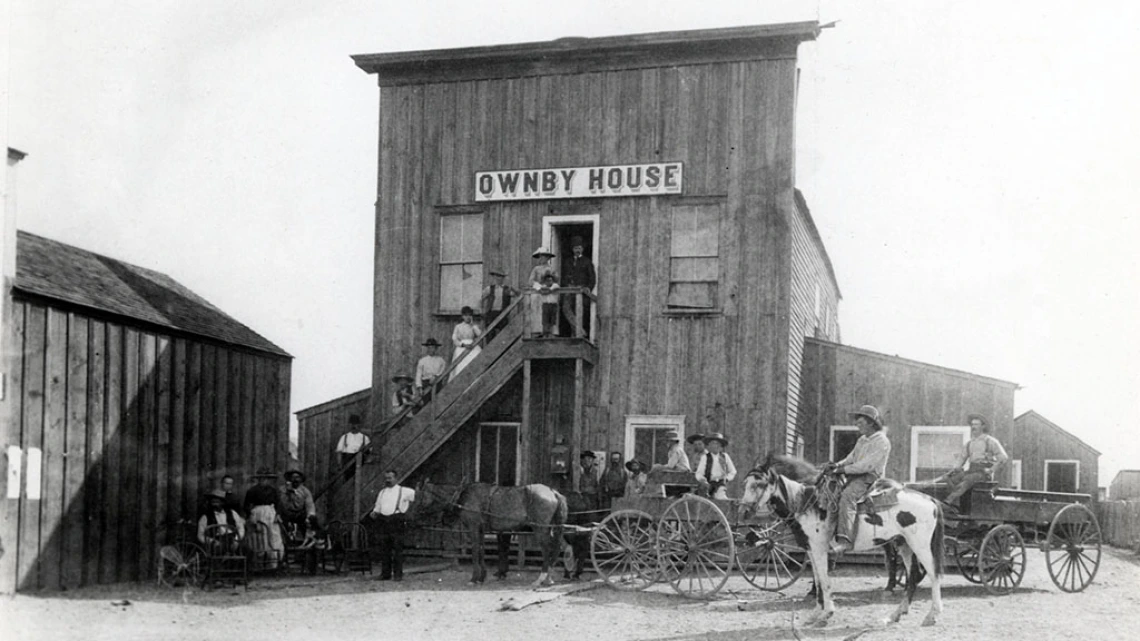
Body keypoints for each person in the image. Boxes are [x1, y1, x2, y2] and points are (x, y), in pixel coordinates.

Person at [823, 405, 892, 555]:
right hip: (855, 476)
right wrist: (837, 465)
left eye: (860, 423)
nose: (857, 426)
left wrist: (842, 470)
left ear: (871, 423)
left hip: (869, 477)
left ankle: (845, 541)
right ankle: (827, 539)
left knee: (847, 497)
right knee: (832, 498)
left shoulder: (882, 441)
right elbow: (851, 458)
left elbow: (866, 465)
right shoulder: (862, 440)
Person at [941, 413, 1009, 508]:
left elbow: (1003, 457)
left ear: (983, 426)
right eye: (972, 425)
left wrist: (991, 469)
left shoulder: (990, 441)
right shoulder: (969, 443)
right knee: (951, 479)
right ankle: (956, 506)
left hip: (983, 473)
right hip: (972, 470)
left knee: (967, 480)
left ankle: (949, 501)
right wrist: (955, 469)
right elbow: (962, 458)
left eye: (976, 424)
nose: (973, 427)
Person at [367, 470, 416, 581]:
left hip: (397, 520)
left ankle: (398, 575)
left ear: (396, 478)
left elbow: (418, 497)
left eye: (390, 478)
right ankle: (385, 574)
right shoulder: (382, 492)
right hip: (384, 521)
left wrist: (409, 512)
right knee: (385, 548)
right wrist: (375, 512)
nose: (388, 480)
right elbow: (378, 505)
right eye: (386, 478)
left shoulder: (405, 491)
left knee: (397, 548)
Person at [243, 467, 285, 567]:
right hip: (258, 514)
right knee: (260, 539)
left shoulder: (273, 491)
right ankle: (259, 564)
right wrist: (251, 517)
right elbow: (246, 506)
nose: (264, 480)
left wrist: (277, 515)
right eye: (261, 478)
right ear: (258, 479)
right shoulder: (252, 491)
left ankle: (273, 564)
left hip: (271, 514)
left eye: (266, 478)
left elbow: (278, 504)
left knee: (274, 537)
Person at [559, 236, 596, 337]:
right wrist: (566, 285)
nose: (577, 250)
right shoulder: (568, 261)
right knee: (566, 309)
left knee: (578, 312)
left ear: (582, 249)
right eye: (575, 248)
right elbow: (564, 275)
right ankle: (580, 331)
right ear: (572, 249)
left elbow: (592, 277)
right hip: (569, 290)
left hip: (581, 291)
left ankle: (576, 335)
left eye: (579, 248)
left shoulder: (587, 262)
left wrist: (588, 287)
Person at [695, 433, 736, 499]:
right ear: (709, 446)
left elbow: (733, 471)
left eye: (717, 444)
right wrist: (703, 480)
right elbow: (699, 473)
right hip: (708, 484)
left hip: (720, 485)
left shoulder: (725, 456)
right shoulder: (705, 457)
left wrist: (727, 478)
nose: (715, 446)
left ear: (721, 446)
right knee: (703, 498)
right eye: (713, 444)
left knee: (721, 499)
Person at [278, 470, 318, 537]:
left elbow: (310, 505)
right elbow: (281, 503)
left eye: (297, 477)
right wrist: (288, 493)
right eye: (293, 477)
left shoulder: (305, 491)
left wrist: (310, 516)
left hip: (299, 515)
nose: (295, 479)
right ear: (289, 479)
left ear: (301, 479)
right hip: (285, 514)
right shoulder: (282, 490)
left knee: (310, 523)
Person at [528, 247, 556, 337]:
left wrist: (549, 286)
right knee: (537, 311)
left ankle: (548, 332)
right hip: (538, 293)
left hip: (548, 293)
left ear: (548, 258)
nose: (542, 259)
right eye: (541, 257)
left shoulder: (551, 269)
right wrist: (538, 286)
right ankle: (537, 331)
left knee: (548, 311)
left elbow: (555, 281)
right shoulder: (536, 269)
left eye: (544, 257)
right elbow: (530, 281)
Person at [481, 269, 516, 341]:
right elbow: (481, 298)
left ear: (503, 278)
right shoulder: (489, 288)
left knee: (504, 334)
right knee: (490, 333)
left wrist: (513, 289)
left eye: (500, 276)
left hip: (503, 313)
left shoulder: (507, 289)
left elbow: (517, 295)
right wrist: (482, 309)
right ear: (494, 277)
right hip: (491, 314)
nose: (498, 278)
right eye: (497, 276)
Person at [450, 306, 483, 380]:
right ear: (462, 316)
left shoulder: (474, 326)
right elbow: (454, 339)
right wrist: (463, 345)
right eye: (466, 315)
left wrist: (473, 325)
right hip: (462, 347)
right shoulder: (458, 326)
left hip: (472, 346)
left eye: (469, 315)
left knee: (476, 358)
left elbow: (480, 334)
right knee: (461, 366)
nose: (468, 317)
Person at [537, 273, 560, 337]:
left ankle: (551, 334)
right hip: (546, 304)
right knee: (545, 319)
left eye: (550, 280)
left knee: (552, 319)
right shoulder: (543, 286)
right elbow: (540, 290)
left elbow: (548, 291)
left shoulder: (555, 285)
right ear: (545, 281)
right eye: (547, 281)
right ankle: (545, 333)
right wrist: (542, 291)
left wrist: (543, 292)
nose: (549, 282)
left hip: (553, 304)